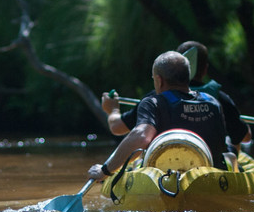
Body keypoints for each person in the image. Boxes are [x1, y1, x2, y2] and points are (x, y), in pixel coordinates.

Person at [88, 50, 231, 181]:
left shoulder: (153, 102)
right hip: (212, 177)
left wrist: (104, 170)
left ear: (159, 80)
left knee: (139, 161)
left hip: (166, 181)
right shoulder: (213, 102)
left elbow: (141, 137)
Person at [100, 41, 251, 149]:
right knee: (232, 149)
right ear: (205, 70)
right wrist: (241, 122)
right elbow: (245, 137)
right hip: (210, 167)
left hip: (166, 167)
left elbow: (117, 128)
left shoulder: (156, 99)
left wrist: (113, 110)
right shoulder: (218, 99)